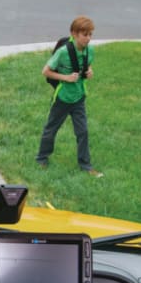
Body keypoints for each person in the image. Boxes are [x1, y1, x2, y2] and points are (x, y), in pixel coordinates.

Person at [35, 16, 102, 177]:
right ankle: (41, 158)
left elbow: (87, 64)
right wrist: (66, 78)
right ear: (74, 33)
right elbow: (46, 71)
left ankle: (85, 165)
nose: (88, 38)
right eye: (84, 35)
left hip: (79, 97)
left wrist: (89, 71)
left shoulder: (89, 50)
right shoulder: (63, 52)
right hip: (63, 98)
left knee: (83, 131)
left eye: (90, 35)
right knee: (51, 129)